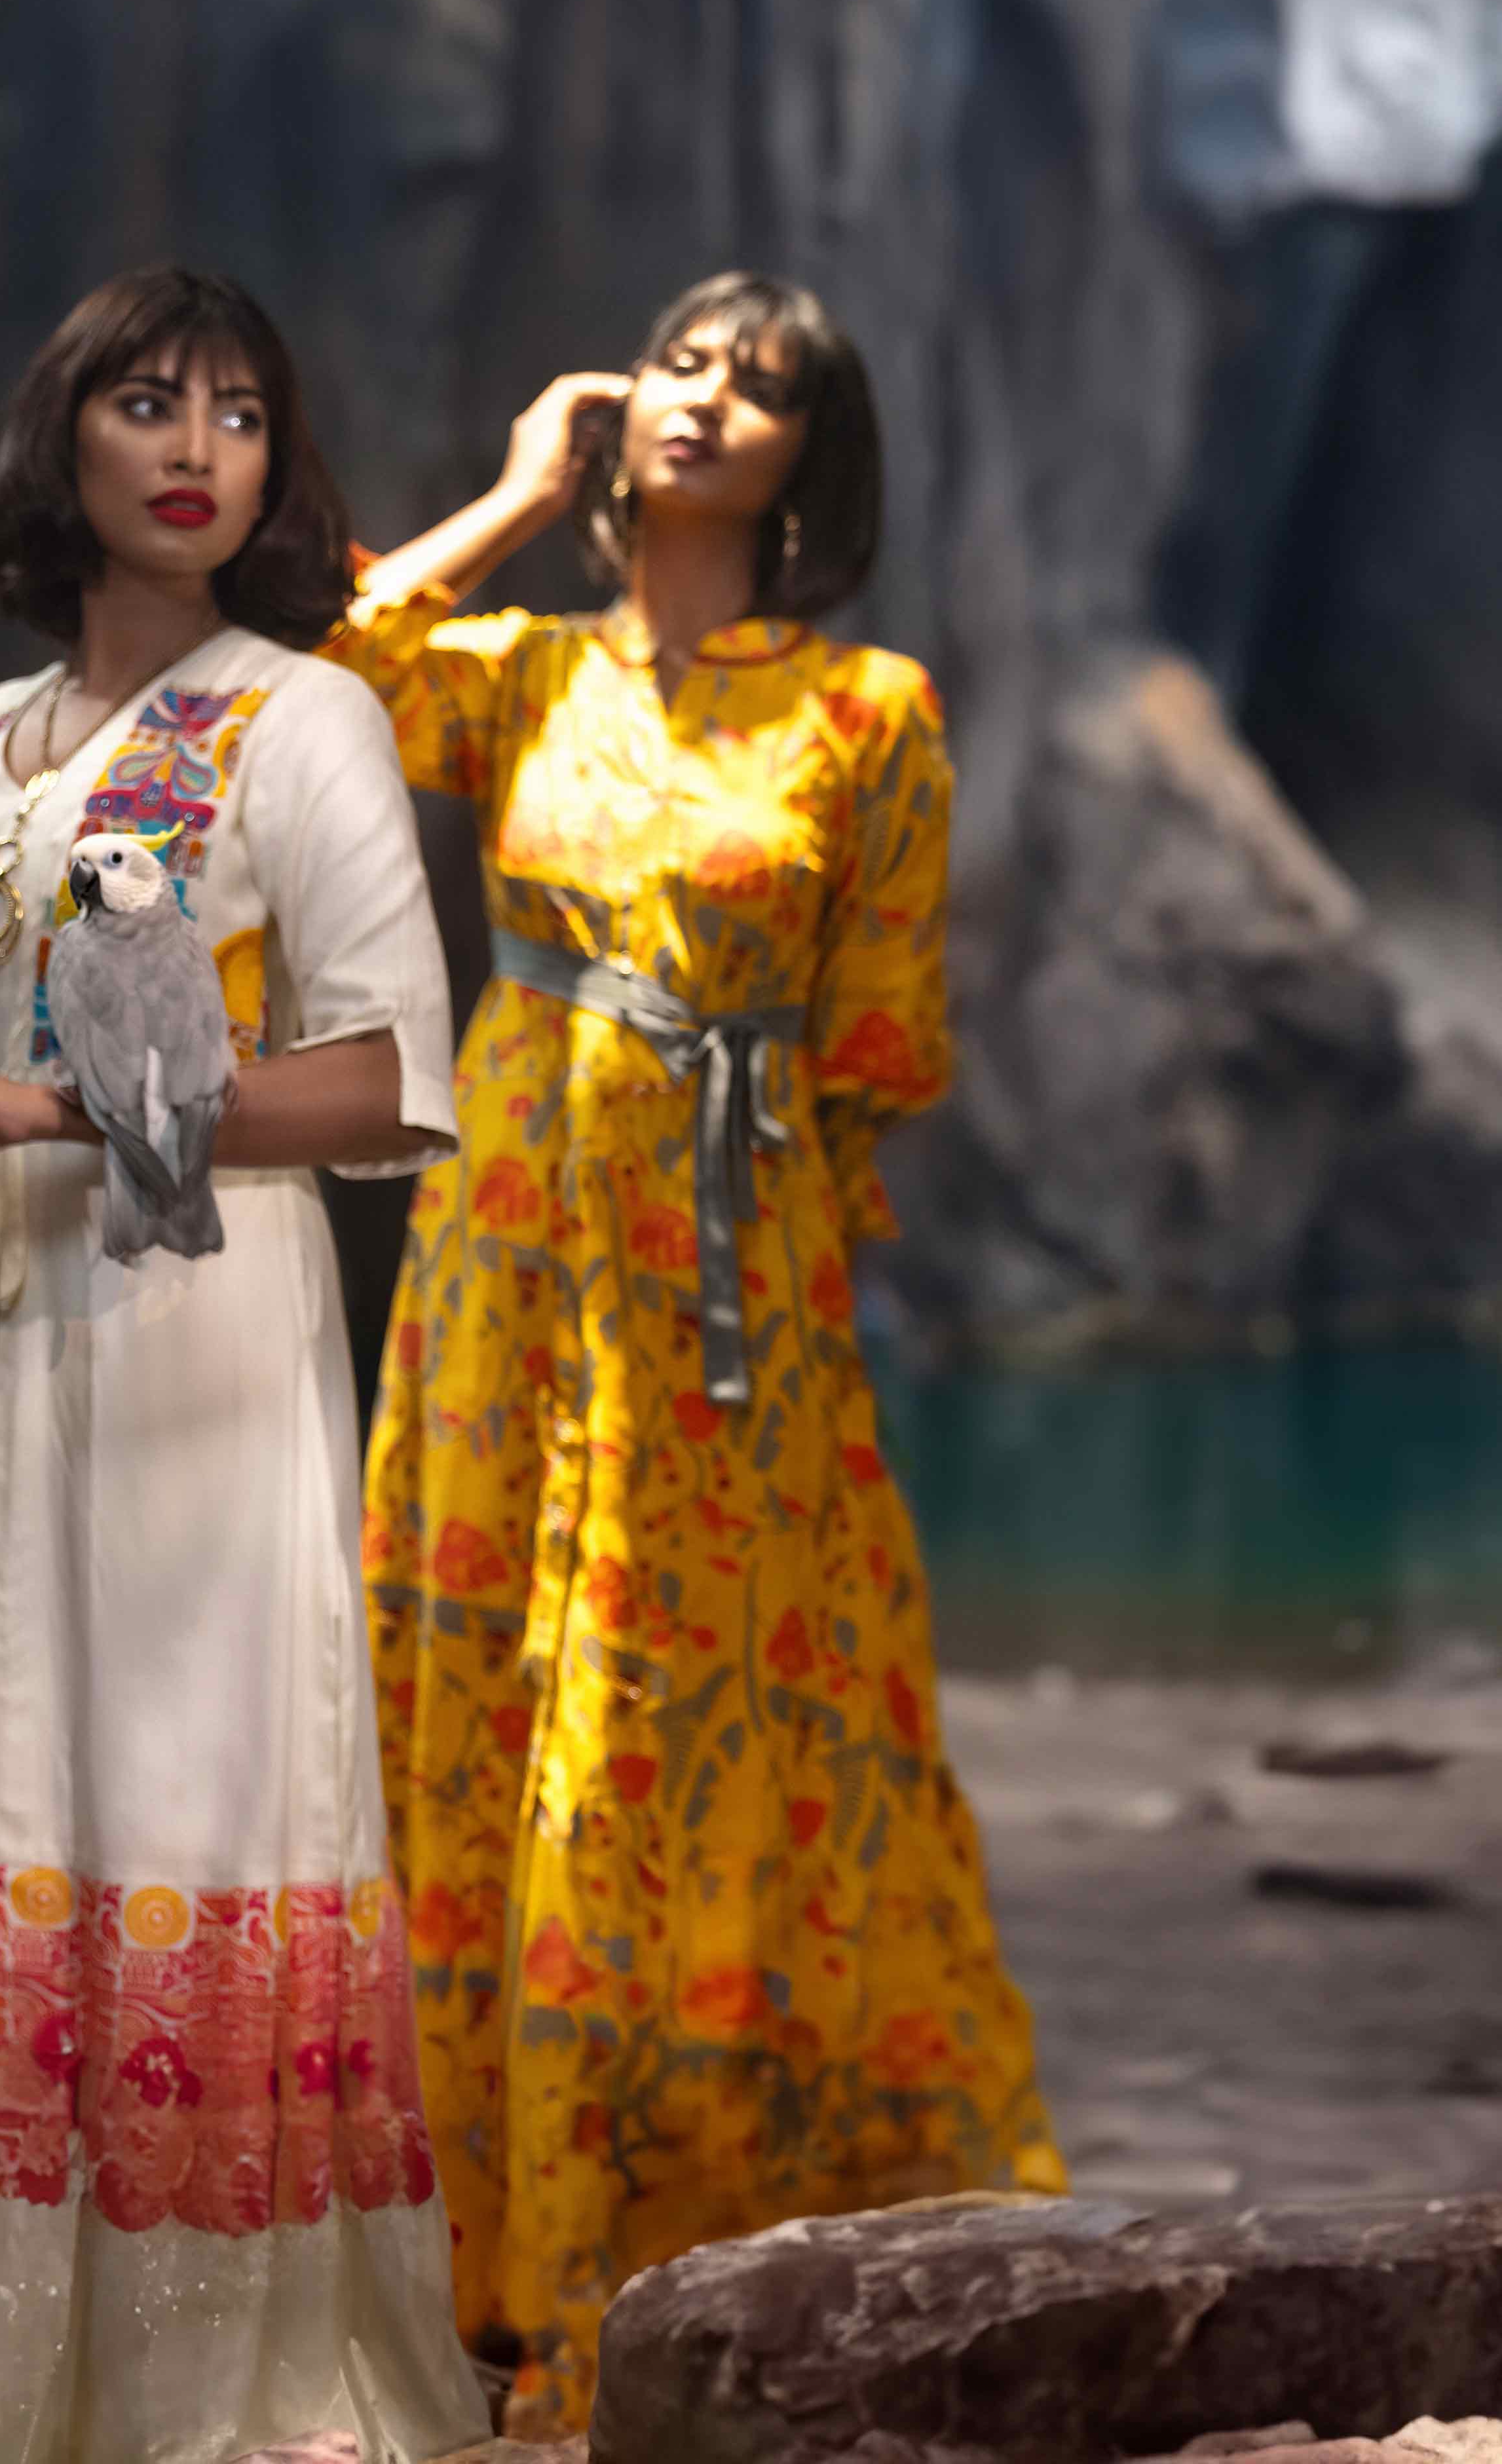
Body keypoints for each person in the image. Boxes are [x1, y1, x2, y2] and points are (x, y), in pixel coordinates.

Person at [328, 274, 1064, 2433]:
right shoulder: (522, 675)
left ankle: (712, 2226)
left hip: (736, 1288)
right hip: (505, 1269)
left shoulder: (869, 711)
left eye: (760, 389)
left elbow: (880, 1044)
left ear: (812, 460)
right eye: (682, 365)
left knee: (711, 1717)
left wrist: (766, 1256)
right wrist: (509, 492)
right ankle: (484, 2253)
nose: (706, 404)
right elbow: (317, 682)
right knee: (503, 1711)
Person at [0, 268, 485, 2461]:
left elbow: (389, 1077)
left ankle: (209, 2406)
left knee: (180, 1806)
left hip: (190, 1357)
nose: (196, 447)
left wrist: (70, 1112)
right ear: (59, 437)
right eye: (149, 400)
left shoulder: (303, 719)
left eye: (241, 412)